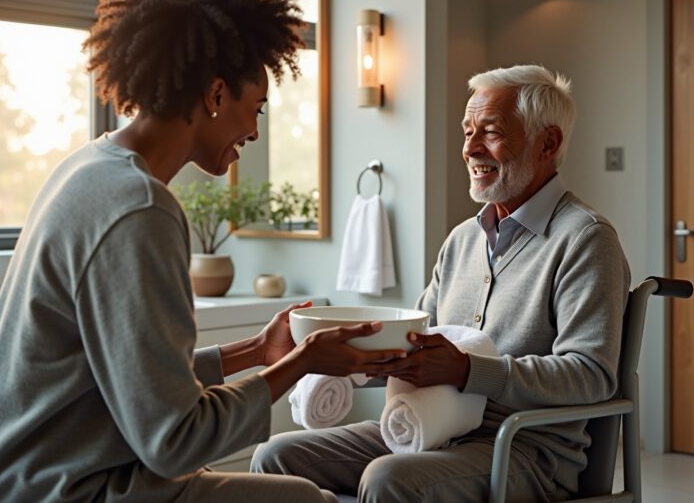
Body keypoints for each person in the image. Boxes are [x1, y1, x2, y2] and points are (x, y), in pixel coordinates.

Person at [0, 0, 406, 503]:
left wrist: (254, 351)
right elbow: (174, 441)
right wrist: (304, 364)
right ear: (215, 94)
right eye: (256, 110)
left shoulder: (87, 168)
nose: (253, 131)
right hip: (71, 489)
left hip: (19, 477)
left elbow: (134, 382)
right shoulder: (140, 209)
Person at [251, 64, 631, 502]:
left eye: (489, 131)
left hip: (524, 449)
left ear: (548, 143)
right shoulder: (462, 240)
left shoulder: (585, 239)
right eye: (467, 131)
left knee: (387, 478)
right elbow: (415, 345)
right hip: (427, 427)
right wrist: (345, 357)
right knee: (275, 457)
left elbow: (592, 376)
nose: (470, 148)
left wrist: (471, 371)